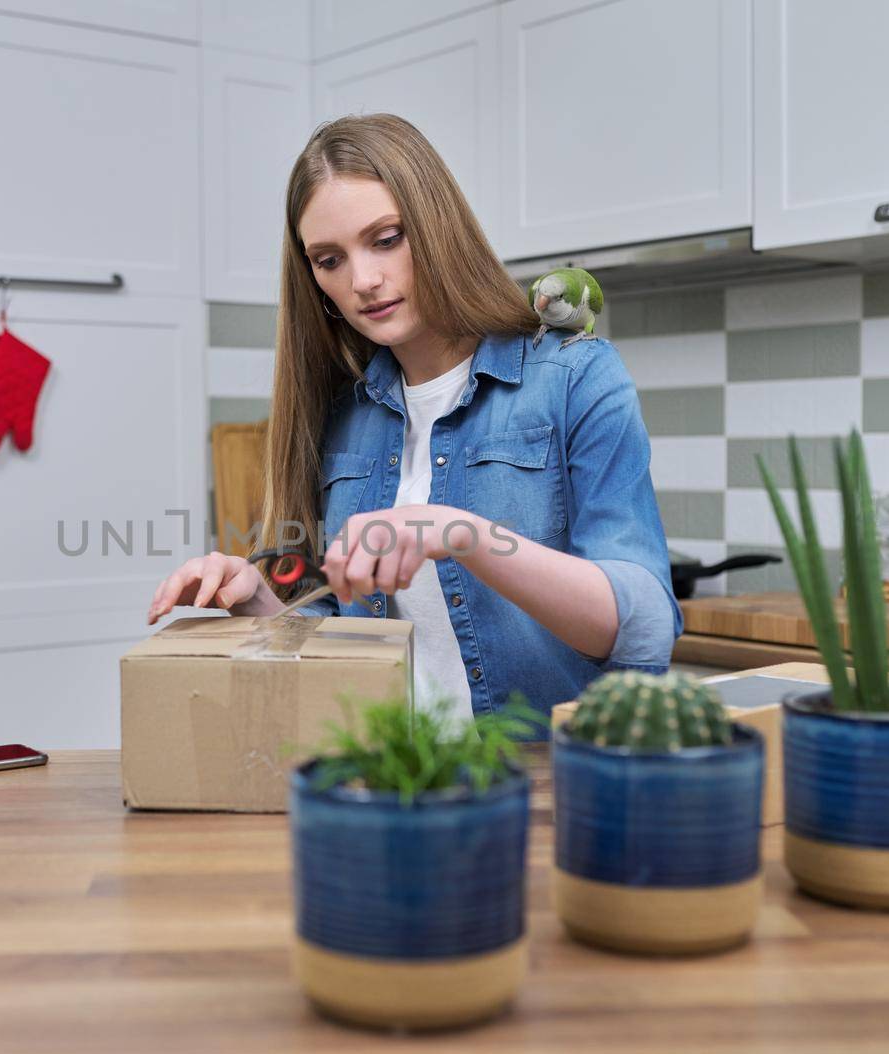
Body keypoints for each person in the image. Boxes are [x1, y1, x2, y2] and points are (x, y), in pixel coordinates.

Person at [146, 113, 679, 728]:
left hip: (540, 785)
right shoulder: (344, 416)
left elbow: (645, 628)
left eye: (386, 238)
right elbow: (340, 650)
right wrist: (256, 600)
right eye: (329, 259)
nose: (363, 281)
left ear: (436, 226)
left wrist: (459, 531)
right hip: (394, 778)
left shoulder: (573, 376)